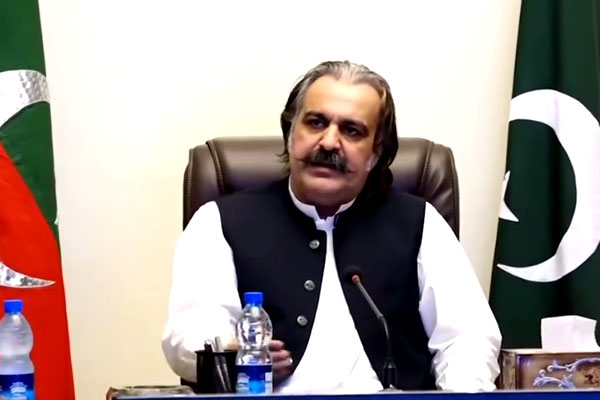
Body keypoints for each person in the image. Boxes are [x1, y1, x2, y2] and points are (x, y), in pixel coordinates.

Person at [162, 61, 501, 393]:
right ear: (290, 133)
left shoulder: (420, 222)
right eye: (315, 123)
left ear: (376, 152)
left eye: (352, 131)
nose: (328, 142)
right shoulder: (219, 221)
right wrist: (233, 354)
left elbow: (467, 337)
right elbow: (190, 333)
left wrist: (460, 396)